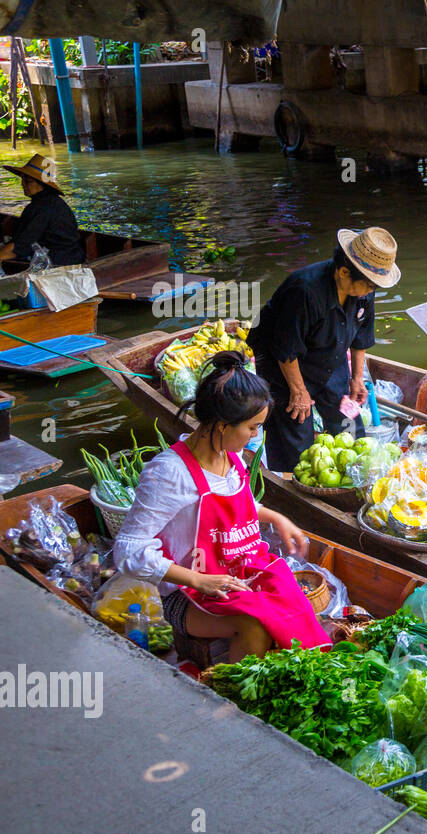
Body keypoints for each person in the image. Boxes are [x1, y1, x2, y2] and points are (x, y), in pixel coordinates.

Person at [113, 352, 330, 662]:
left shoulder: (230, 455)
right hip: (188, 592)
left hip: (239, 572)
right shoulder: (170, 474)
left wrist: (277, 518)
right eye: (252, 428)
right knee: (257, 626)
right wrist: (198, 579)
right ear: (223, 426)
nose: (256, 436)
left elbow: (238, 506)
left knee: (297, 604)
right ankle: (231, 699)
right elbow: (128, 549)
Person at [248, 226, 400, 472]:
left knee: (350, 429)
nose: (373, 291)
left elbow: (360, 338)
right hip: (284, 366)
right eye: (370, 285)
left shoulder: (364, 292)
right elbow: (285, 350)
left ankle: (354, 481)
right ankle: (294, 493)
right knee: (297, 444)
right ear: (343, 272)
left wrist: (357, 378)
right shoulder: (304, 291)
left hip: (330, 357)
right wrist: (299, 392)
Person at [0, 153, 86, 266]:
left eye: (28, 181)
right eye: (23, 180)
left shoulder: (42, 208)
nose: (23, 184)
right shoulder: (53, 202)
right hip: (73, 256)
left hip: (60, 262)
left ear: (42, 185)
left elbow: (20, 247)